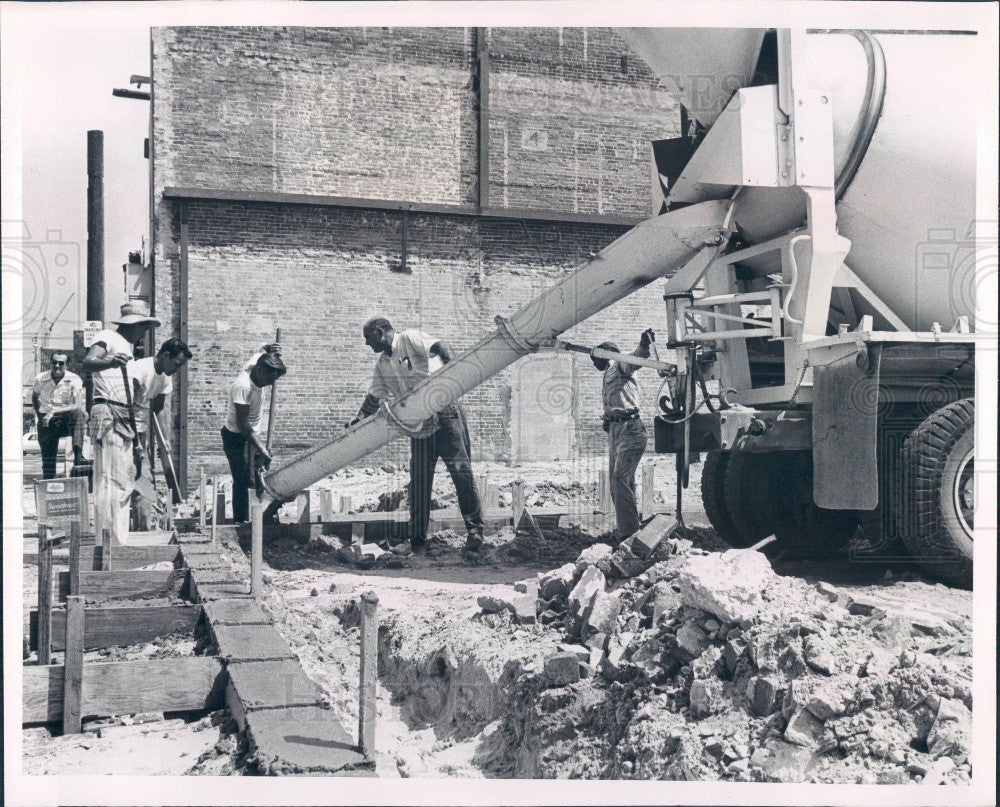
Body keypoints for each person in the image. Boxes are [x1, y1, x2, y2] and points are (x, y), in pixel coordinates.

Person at [351, 316, 485, 555]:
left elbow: (442, 348)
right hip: (419, 425)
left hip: (445, 414)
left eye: (368, 339)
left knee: (461, 473)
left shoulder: (409, 338)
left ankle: (475, 533)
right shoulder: (382, 364)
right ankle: (418, 540)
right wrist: (359, 420)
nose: (366, 345)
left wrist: (454, 381)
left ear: (381, 332)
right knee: (420, 482)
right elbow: (375, 395)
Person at [82, 300, 160, 543]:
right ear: (134, 325)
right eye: (144, 327)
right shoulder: (109, 337)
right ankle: (107, 540)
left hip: (123, 414)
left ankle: (118, 537)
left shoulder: (127, 346)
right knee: (110, 478)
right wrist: (110, 362)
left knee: (124, 477)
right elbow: (88, 361)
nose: (145, 332)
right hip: (108, 412)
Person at [591, 328, 655, 542]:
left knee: (620, 479)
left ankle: (629, 535)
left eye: (596, 358)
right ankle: (630, 527)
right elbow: (615, 400)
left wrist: (644, 345)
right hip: (617, 431)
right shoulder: (607, 375)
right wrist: (608, 418)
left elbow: (634, 360)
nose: (594, 364)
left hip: (631, 430)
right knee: (618, 483)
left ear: (606, 353)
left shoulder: (619, 365)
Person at [221, 348, 287, 523]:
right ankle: (242, 522)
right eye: (270, 379)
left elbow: (260, 353)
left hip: (252, 435)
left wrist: (266, 347)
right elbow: (243, 424)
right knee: (243, 480)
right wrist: (262, 448)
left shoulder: (257, 365)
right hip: (236, 437)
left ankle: (260, 516)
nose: (271, 384)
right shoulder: (243, 386)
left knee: (259, 475)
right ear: (259, 370)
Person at [129, 337, 192, 497]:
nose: (177, 370)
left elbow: (159, 408)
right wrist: (134, 439)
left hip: (141, 427)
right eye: (177, 364)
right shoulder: (140, 369)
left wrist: (165, 440)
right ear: (165, 356)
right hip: (125, 426)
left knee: (139, 471)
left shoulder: (165, 377)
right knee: (129, 470)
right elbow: (127, 406)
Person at [32, 352, 85, 478]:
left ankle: (78, 455)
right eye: (54, 362)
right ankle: (49, 488)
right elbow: (34, 397)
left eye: (61, 363)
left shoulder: (74, 379)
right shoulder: (40, 378)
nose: (57, 365)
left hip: (65, 420)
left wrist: (53, 412)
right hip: (47, 422)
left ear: (67, 365)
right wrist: (40, 416)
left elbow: (76, 405)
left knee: (79, 413)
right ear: (50, 363)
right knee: (48, 463)